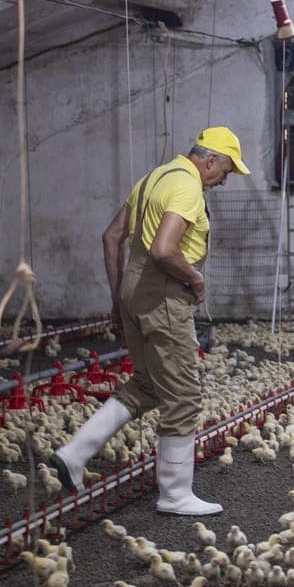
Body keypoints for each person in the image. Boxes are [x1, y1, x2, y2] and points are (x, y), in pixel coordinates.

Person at [56, 127, 249, 515]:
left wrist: (118, 297)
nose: (225, 180)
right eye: (226, 170)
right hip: (164, 294)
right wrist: (195, 279)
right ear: (209, 159)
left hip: (135, 290)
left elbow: (111, 237)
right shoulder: (187, 188)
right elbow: (164, 249)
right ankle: (174, 495)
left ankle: (74, 454)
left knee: (148, 383)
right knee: (183, 394)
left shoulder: (151, 179)